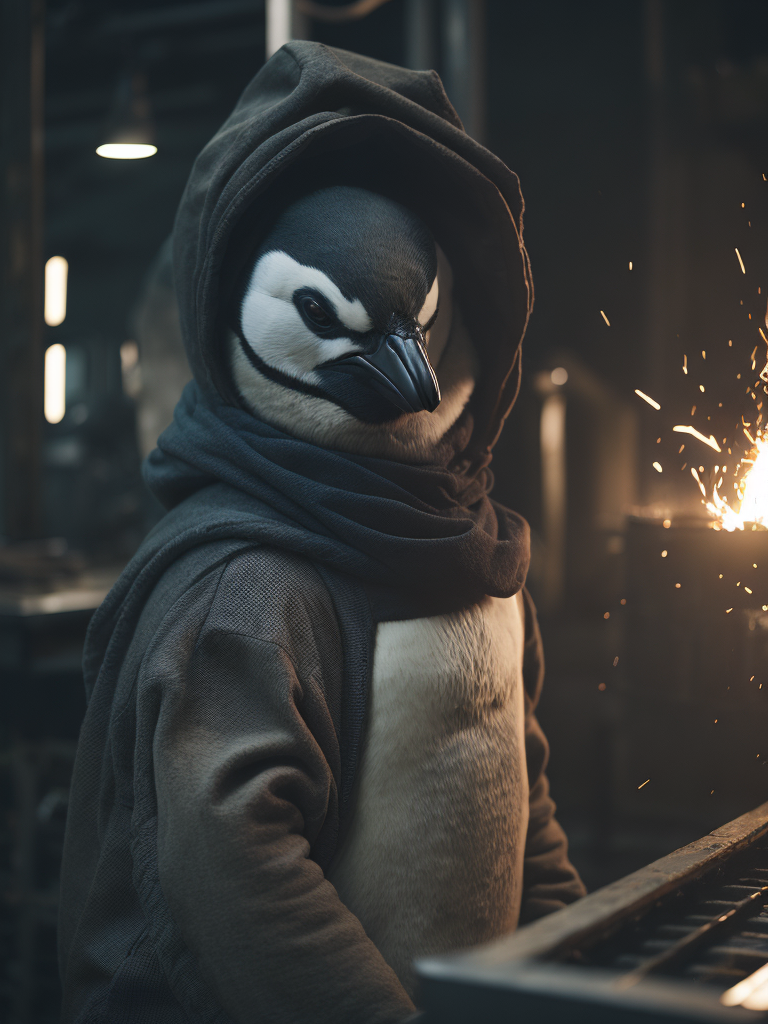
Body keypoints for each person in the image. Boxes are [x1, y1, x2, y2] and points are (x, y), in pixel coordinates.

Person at [58, 41, 584, 1024]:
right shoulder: (251, 589)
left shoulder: (470, 548)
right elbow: (235, 875)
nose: (403, 375)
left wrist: (572, 983)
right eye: (322, 315)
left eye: (413, 327)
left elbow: (525, 806)